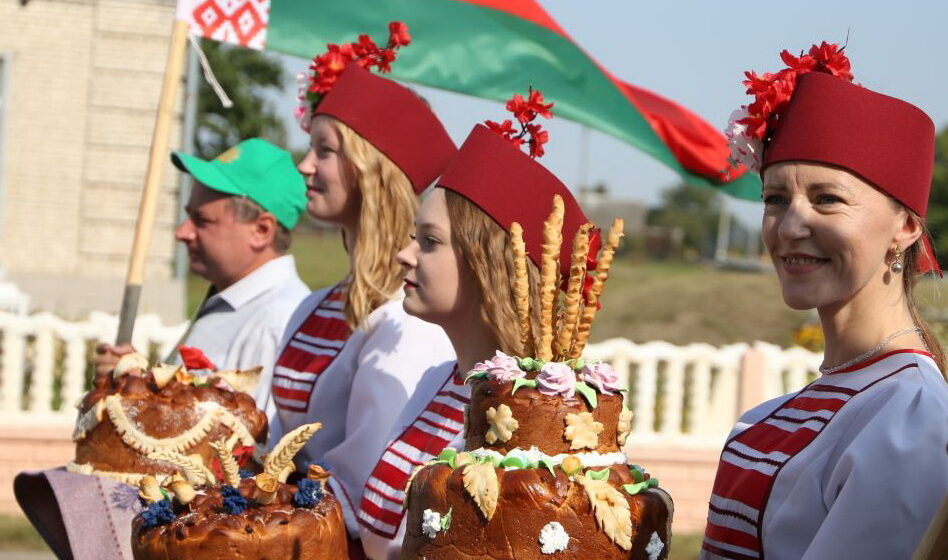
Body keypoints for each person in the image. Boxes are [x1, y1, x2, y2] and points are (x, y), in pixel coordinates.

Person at [701, 43, 948, 560]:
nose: (790, 227)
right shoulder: (816, 403)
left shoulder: (910, 415)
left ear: (903, 226)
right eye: (774, 199)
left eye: (827, 199)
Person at [355, 89, 597, 558]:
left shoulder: (540, 421)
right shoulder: (435, 380)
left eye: (429, 241)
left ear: (487, 266)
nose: (405, 256)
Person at [269, 23, 457, 555]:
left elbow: (373, 489)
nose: (305, 165)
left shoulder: (405, 321)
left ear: (371, 172)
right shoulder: (318, 304)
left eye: (324, 150)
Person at [94, 137, 309, 431]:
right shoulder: (234, 300)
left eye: (202, 220)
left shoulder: (279, 321)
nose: (182, 232)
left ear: (261, 230)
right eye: (187, 216)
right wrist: (134, 384)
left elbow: (250, 449)